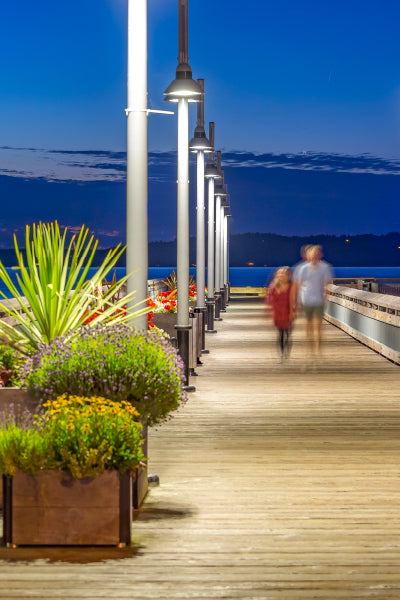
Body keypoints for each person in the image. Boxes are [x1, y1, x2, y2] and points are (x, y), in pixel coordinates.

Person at [294, 245, 333, 357]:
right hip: (306, 300)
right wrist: (297, 301)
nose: (315, 256)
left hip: (319, 301)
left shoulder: (325, 267)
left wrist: (326, 298)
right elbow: (299, 284)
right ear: (309, 256)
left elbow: (327, 285)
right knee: (307, 327)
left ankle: (317, 351)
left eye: (317, 254)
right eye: (313, 254)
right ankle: (307, 351)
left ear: (320, 255)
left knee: (317, 329)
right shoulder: (303, 268)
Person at [266, 266, 297, 361]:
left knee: (287, 333)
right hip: (277, 312)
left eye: (284, 273)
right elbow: (269, 299)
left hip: (287, 311)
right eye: (280, 273)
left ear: (288, 275)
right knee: (280, 333)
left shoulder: (292, 285)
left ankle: (286, 350)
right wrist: (268, 311)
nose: (281, 275)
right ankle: (282, 352)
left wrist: (292, 312)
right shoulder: (273, 285)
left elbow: (292, 299)